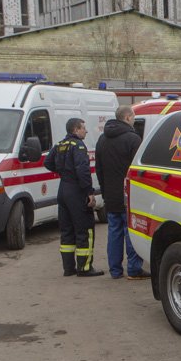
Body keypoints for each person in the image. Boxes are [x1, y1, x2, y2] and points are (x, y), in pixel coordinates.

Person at [95, 105, 149, 279]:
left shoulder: (102, 139)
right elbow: (138, 170)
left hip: (111, 195)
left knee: (114, 233)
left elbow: (99, 169)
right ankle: (134, 269)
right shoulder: (133, 139)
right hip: (129, 195)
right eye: (133, 117)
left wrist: (105, 192)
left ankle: (115, 270)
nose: (134, 120)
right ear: (127, 118)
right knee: (131, 232)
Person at [44, 117, 103, 277]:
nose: (86, 131)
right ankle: (84, 268)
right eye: (83, 128)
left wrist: (63, 171)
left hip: (63, 189)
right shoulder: (78, 146)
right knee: (85, 229)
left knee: (67, 230)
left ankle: (68, 268)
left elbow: (47, 162)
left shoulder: (59, 145)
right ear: (76, 130)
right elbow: (83, 171)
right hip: (76, 191)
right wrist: (89, 192)